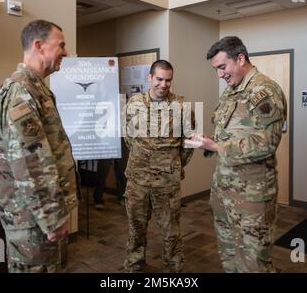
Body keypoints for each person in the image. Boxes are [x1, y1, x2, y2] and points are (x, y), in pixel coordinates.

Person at [192, 36, 287, 272]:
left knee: (254, 262)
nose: (220, 75)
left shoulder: (264, 91)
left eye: (222, 67)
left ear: (241, 58)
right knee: (230, 255)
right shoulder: (231, 92)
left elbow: (267, 142)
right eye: (216, 69)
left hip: (251, 197)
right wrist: (210, 142)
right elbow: (231, 135)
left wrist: (217, 148)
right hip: (225, 190)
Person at [0, 19, 78, 273]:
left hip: (36, 217)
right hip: (32, 222)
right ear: (39, 46)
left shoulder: (35, 88)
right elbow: (31, 163)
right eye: (61, 45)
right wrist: (52, 218)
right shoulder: (21, 90)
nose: (66, 52)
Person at [123, 59, 194, 272]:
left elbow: (188, 144)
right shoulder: (133, 104)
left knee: (171, 231)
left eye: (168, 80)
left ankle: (173, 269)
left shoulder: (182, 106)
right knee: (136, 228)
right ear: (150, 78)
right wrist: (143, 159)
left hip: (167, 182)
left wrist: (171, 164)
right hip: (138, 181)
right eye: (159, 79)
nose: (163, 84)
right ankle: (134, 265)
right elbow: (129, 137)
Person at [93, 139, 128, 209]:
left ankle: (122, 197)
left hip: (122, 137)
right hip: (107, 137)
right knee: (103, 170)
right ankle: (98, 198)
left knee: (121, 170)